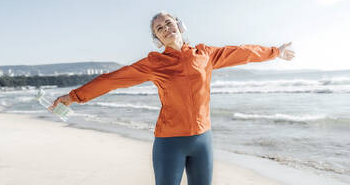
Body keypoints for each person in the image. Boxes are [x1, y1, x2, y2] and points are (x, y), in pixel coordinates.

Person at [50, 11, 295, 185]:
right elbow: (113, 79)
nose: (167, 29)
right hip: (169, 143)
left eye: (169, 23)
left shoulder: (205, 54)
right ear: (157, 39)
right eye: (160, 28)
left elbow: (243, 53)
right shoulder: (154, 63)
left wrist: (276, 52)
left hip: (203, 141)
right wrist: (73, 97)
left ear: (179, 25)